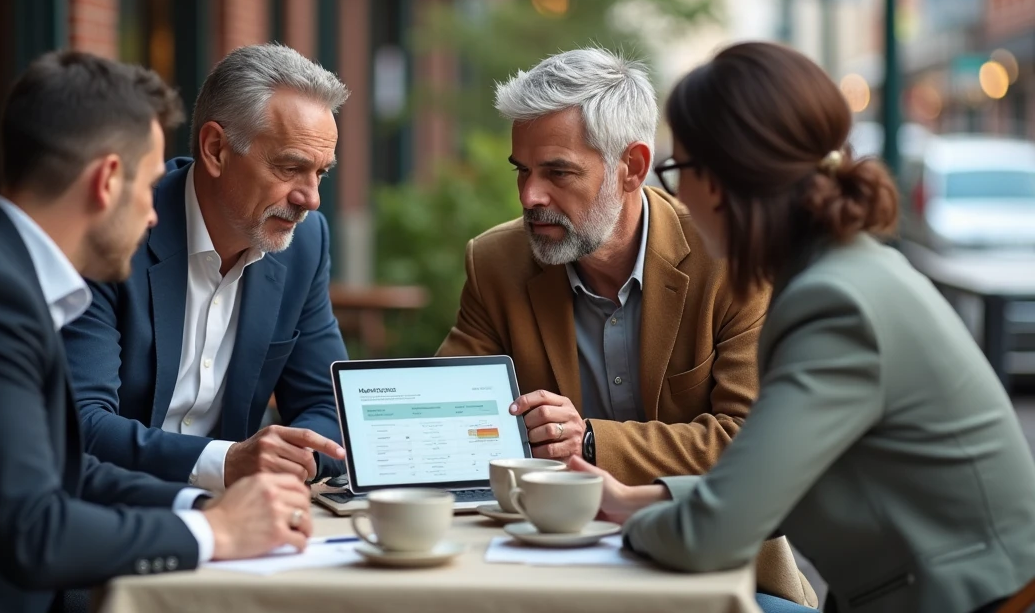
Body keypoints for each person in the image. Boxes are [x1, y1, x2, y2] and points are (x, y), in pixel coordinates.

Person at [0, 52, 320, 613]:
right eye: (151, 185)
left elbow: (65, 473)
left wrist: (201, 507)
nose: (154, 215)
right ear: (107, 180)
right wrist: (216, 535)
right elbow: (35, 532)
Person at [570, 41, 1035, 613]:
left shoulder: (833, 303)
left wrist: (626, 531)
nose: (674, 194)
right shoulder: (847, 269)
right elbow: (769, 478)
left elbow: (713, 535)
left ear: (716, 180)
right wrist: (633, 501)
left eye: (675, 169)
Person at [436, 47, 815, 609]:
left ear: (633, 167)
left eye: (558, 172)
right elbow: (449, 414)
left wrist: (588, 439)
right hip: (541, 573)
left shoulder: (725, 259)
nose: (529, 196)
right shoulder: (496, 262)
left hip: (712, 571)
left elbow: (747, 445)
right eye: (522, 171)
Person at [63, 44, 349, 493]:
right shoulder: (115, 232)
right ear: (216, 149)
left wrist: (295, 457)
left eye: (321, 173)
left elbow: (330, 406)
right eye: (291, 167)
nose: (310, 199)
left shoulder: (305, 244)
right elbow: (81, 422)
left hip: (243, 513)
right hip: (119, 507)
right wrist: (227, 461)